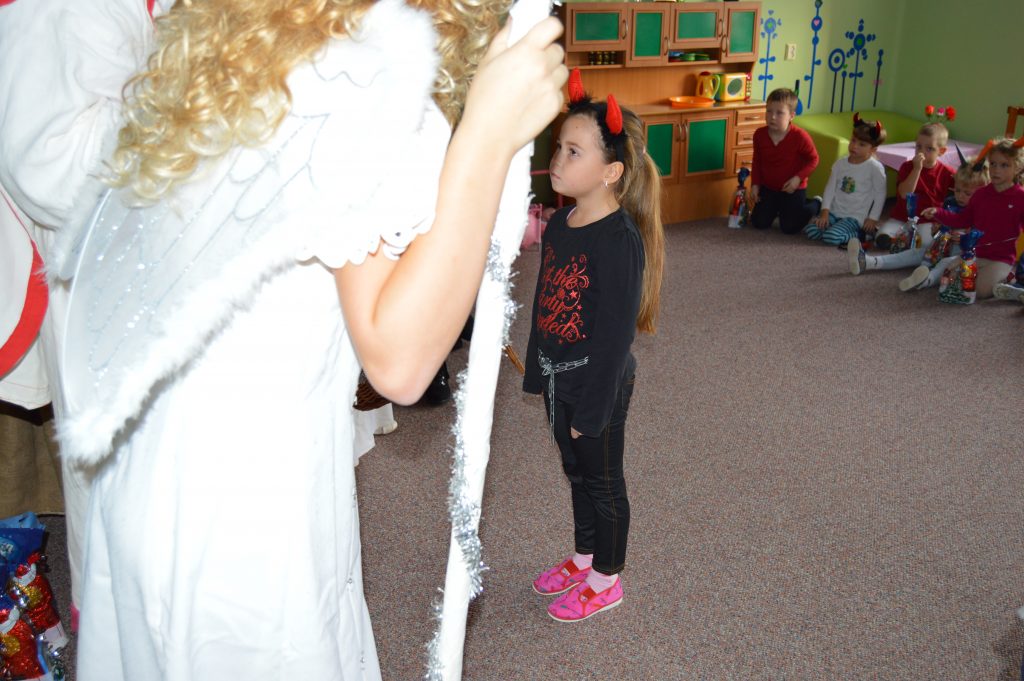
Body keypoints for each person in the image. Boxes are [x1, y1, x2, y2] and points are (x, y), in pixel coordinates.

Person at [54, 1, 566, 678]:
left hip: (155, 477)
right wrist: (487, 135)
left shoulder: (244, 45)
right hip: (245, 513)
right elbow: (400, 358)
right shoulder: (361, 74)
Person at [0, 0, 170, 631]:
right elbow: (47, 169)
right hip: (108, 298)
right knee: (128, 499)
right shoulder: (56, 12)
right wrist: (193, 101)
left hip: (181, 280)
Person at [523, 70, 664, 623]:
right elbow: (545, 299)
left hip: (597, 383)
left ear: (611, 171)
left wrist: (593, 410)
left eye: (573, 151)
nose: (557, 159)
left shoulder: (618, 241)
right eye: (558, 146)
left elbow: (613, 337)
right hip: (559, 376)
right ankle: (584, 557)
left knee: (603, 482)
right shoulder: (560, 223)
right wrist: (537, 371)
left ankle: (607, 578)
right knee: (574, 471)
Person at [847, 159, 989, 290]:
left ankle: (926, 279)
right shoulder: (950, 202)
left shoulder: (984, 210)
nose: (960, 196)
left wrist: (966, 238)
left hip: (965, 254)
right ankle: (870, 262)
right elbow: (945, 223)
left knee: (947, 263)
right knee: (917, 252)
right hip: (942, 246)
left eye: (967, 193)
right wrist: (937, 228)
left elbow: (985, 237)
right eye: (957, 190)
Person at [921, 136, 1024, 300]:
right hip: (975, 254)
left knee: (980, 291)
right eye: (993, 164)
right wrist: (938, 212)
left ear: (1017, 168)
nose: (996, 170)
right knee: (948, 278)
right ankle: (1001, 281)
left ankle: (1009, 280)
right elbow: (962, 220)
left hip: (1001, 259)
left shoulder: (1020, 197)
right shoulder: (981, 194)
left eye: (1004, 165)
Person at [803, 114, 887, 246]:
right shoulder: (840, 164)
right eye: (853, 140)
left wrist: (873, 218)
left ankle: (862, 234)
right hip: (833, 213)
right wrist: (825, 212)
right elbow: (830, 189)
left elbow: (880, 194)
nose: (854, 146)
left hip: (854, 218)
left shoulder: (875, 168)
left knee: (831, 237)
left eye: (862, 144)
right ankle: (831, 222)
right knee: (811, 231)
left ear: (873, 149)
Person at [871, 123, 956, 250]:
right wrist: (916, 169)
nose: (922, 152)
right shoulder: (907, 167)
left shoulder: (947, 173)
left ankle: (906, 242)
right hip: (901, 217)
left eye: (929, 149)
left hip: (927, 221)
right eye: (919, 146)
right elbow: (904, 194)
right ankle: (904, 241)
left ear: (941, 151)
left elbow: (961, 194)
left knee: (926, 244)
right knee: (881, 238)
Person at [749, 87, 820, 234]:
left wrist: (797, 179)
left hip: (792, 188)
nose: (772, 117)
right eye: (769, 111)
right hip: (768, 188)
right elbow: (757, 161)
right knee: (759, 222)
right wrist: (755, 185)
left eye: (779, 113)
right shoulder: (759, 135)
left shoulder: (800, 136)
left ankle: (815, 203)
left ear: (791, 116)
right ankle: (778, 209)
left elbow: (814, 159)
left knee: (789, 228)